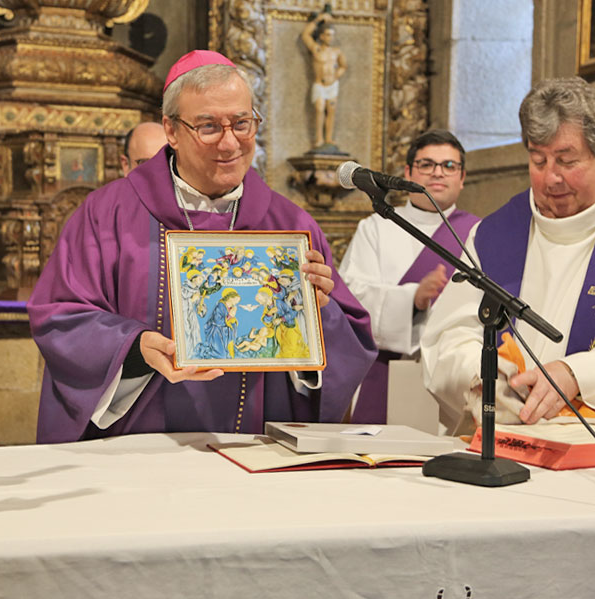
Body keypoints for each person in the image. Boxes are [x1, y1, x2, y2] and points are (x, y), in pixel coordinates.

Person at [28, 49, 377, 443]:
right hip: (136, 451)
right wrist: (134, 348)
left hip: (254, 451)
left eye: (242, 123)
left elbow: (349, 344)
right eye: (209, 126)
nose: (229, 143)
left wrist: (315, 315)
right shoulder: (107, 215)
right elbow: (61, 317)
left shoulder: (291, 227)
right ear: (172, 130)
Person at [420, 77, 595, 443]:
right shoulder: (493, 235)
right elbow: (449, 334)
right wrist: (481, 373)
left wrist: (577, 375)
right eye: (538, 160)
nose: (550, 177)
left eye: (566, 160)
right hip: (506, 446)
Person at [339, 129, 479, 423]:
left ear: (462, 177)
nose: (437, 173)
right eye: (426, 164)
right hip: (388, 371)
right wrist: (411, 299)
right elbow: (349, 300)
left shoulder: (480, 234)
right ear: (408, 172)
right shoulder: (376, 228)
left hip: (454, 378)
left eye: (449, 165)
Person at [301, 10, 347, 150]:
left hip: (332, 85)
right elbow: (305, 35)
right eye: (327, 35)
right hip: (319, 84)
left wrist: (336, 75)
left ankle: (329, 138)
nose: (330, 38)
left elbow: (343, 66)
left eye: (331, 35)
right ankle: (319, 138)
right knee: (319, 109)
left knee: (331, 110)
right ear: (321, 36)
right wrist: (318, 20)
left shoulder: (336, 51)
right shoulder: (316, 49)